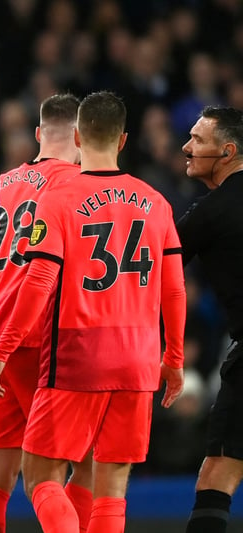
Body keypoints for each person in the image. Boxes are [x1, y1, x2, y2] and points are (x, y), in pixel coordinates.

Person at [0, 91, 186, 533]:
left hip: (44, 342)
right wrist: (174, 357)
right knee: (104, 480)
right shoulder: (156, 201)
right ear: (124, 139)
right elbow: (174, 288)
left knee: (16, 473)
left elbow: (33, 278)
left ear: (71, 134)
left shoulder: (16, 188)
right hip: (126, 355)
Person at [0, 94, 94, 533]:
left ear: (40, 134)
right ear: (81, 138)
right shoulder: (84, 188)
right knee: (86, 467)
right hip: (54, 340)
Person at [179, 106, 243, 533]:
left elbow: (154, 268)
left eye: (198, 140)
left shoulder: (213, 211)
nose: (186, 146)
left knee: (218, 470)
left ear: (228, 151)